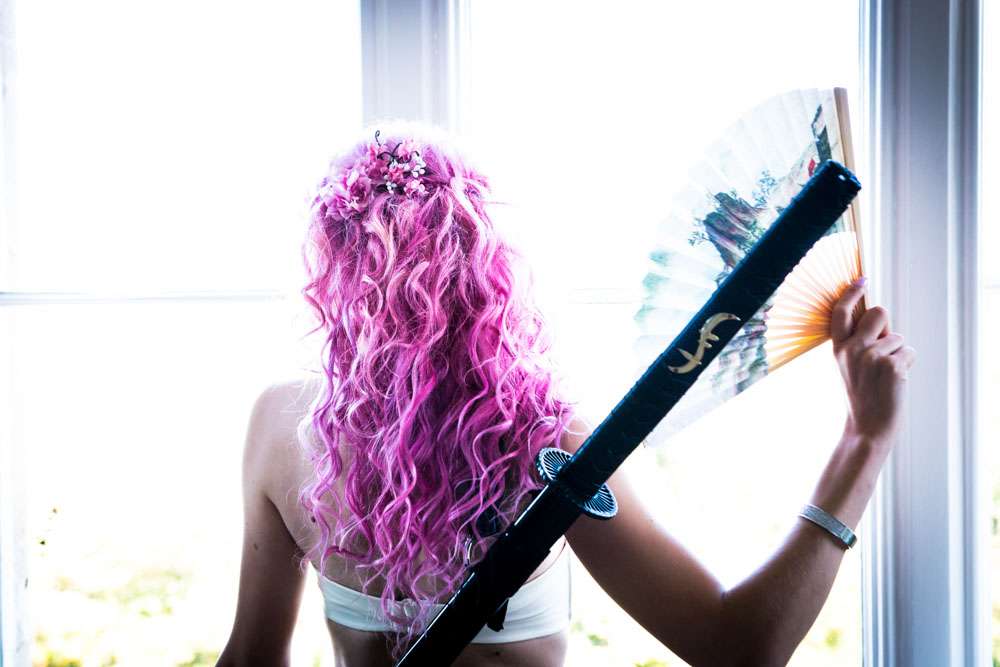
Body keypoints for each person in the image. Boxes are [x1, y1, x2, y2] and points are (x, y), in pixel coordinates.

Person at [217, 125, 916, 667]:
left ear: (335, 276)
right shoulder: (542, 438)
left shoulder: (281, 424)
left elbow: (249, 658)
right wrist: (864, 441)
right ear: (485, 272)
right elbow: (740, 648)